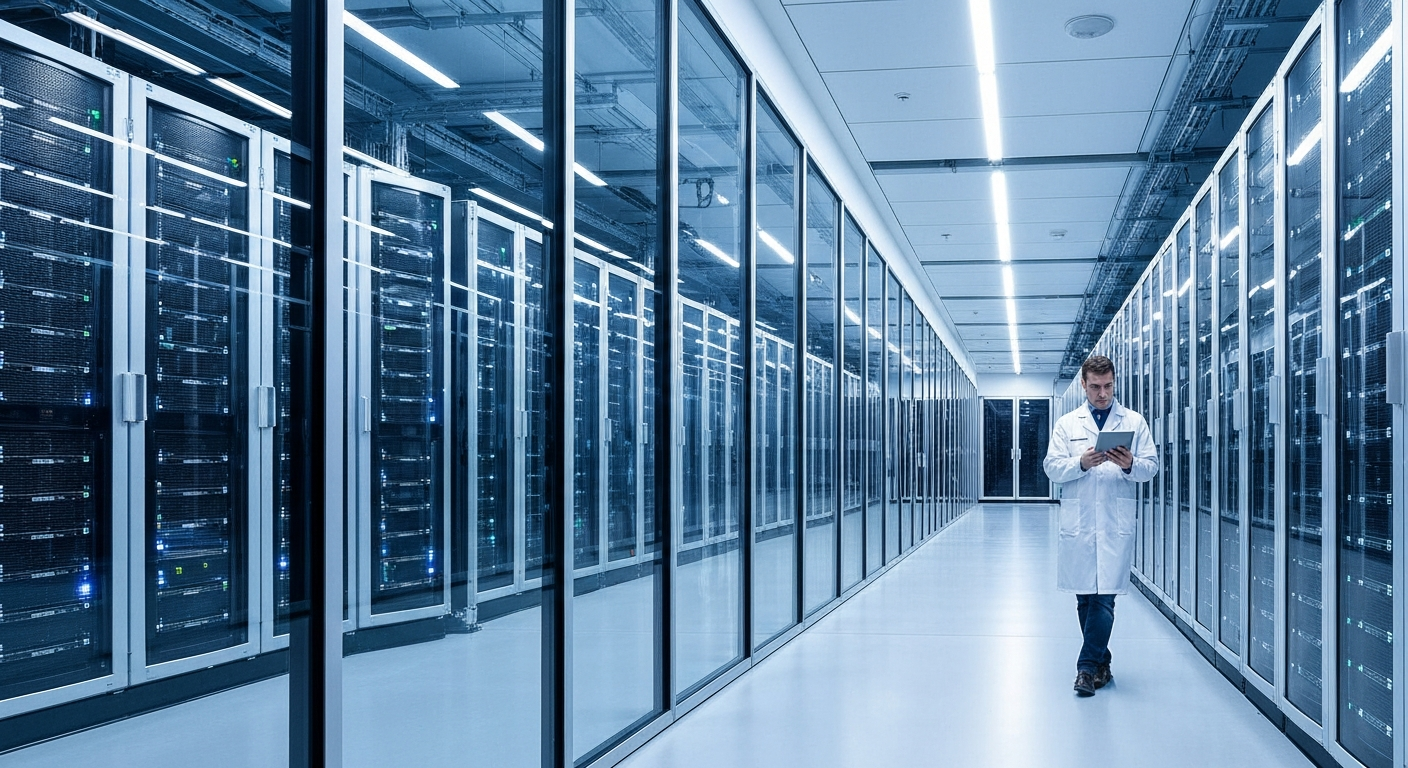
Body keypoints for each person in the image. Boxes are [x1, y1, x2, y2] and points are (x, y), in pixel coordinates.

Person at [1042, 354, 1157, 697]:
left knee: (1104, 598)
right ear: (1083, 385)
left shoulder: (1134, 422)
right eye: (1095, 387)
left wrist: (1129, 464)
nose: (1103, 394)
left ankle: (1086, 669)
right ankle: (1102, 663)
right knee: (1085, 599)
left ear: (1114, 382)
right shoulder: (1067, 424)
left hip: (1113, 522)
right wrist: (1080, 462)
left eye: (1108, 386)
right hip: (1080, 523)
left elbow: (1150, 467)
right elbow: (1052, 467)